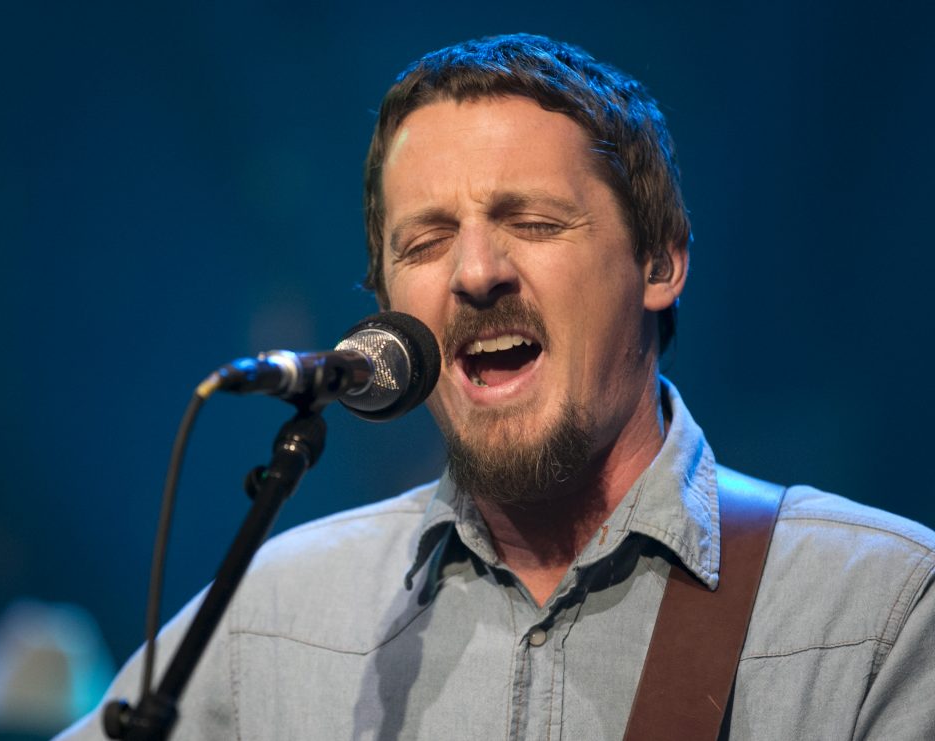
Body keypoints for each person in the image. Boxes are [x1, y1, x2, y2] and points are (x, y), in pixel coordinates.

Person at [58, 34, 935, 739]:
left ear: (660, 262)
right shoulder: (270, 619)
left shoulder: (879, 611)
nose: (476, 272)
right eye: (426, 242)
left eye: (535, 221)